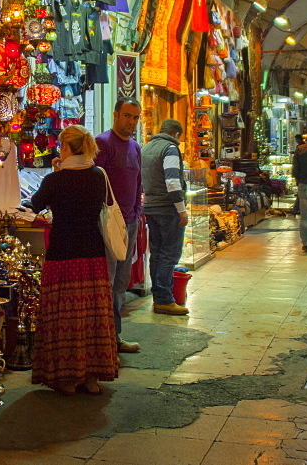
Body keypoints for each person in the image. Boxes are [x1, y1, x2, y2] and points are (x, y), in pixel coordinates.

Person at [29, 125, 120, 393]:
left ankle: (67, 378)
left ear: (66, 148)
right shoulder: (98, 176)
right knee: (92, 316)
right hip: (92, 254)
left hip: (62, 255)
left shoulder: (54, 181)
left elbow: (35, 205)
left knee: (64, 318)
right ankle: (91, 378)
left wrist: (56, 172)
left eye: (61, 145)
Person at [95, 97, 143, 354]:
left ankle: (115, 335)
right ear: (115, 115)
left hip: (130, 221)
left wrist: (136, 213)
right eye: (127, 116)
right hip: (109, 222)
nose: (131, 122)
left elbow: (138, 183)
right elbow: (96, 182)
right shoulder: (103, 143)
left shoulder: (135, 147)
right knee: (109, 280)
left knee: (121, 281)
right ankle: (107, 337)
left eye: (135, 117)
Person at [142, 119, 189, 316]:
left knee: (158, 253)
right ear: (177, 134)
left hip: (150, 207)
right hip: (168, 209)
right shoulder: (170, 149)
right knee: (170, 254)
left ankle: (158, 297)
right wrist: (181, 209)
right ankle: (164, 299)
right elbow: (172, 181)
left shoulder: (145, 149)